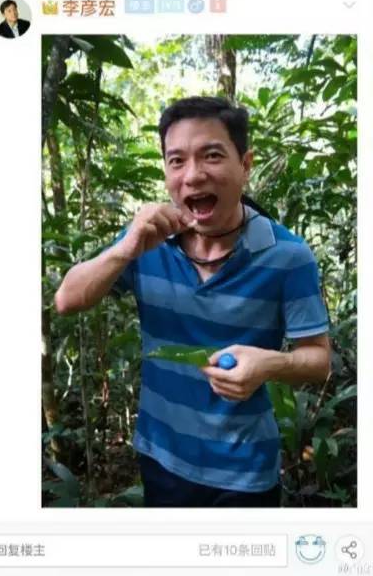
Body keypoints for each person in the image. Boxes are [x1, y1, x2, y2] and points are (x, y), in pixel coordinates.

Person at [55, 96, 331, 508]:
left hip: (245, 472)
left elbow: (319, 360)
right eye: (177, 161)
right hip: (161, 458)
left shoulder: (288, 256)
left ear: (246, 164)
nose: (193, 175)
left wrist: (270, 364)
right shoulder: (146, 241)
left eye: (212, 156)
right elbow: (66, 300)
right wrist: (125, 249)